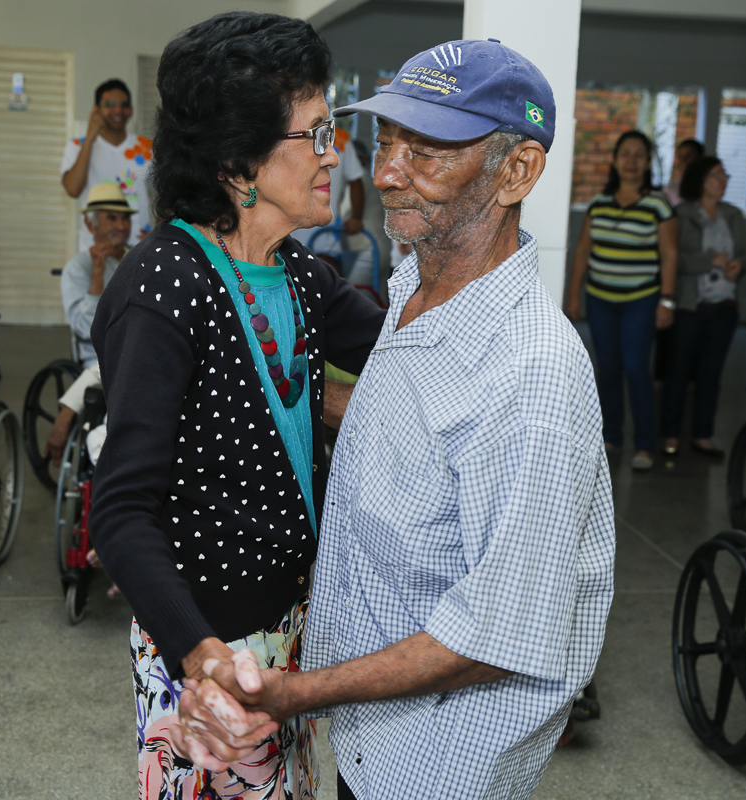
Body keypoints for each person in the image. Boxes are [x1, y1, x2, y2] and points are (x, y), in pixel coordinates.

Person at [175, 38, 616, 800]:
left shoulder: (533, 376)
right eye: (387, 141)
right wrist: (272, 396)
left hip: (430, 761)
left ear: (517, 172)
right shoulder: (416, 284)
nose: (385, 173)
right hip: (363, 737)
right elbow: (407, 425)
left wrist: (295, 693)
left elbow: (494, 636)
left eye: (429, 152)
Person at [87, 13, 386, 800]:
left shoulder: (298, 273)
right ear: (237, 161)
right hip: (209, 647)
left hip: (291, 629)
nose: (335, 156)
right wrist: (202, 654)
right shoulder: (163, 290)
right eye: (314, 136)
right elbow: (119, 513)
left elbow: (404, 349)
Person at [566, 130, 678, 470]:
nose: (631, 161)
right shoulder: (599, 202)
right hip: (600, 299)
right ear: (614, 161)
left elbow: (670, 254)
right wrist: (573, 294)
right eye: (625, 154)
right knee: (608, 369)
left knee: (635, 369)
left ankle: (644, 445)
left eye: (639, 155)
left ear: (647, 164)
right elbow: (584, 250)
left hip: (640, 300)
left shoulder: (658, 204)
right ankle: (611, 437)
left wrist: (667, 301)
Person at [661, 155, 746, 458]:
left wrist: (738, 264)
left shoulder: (733, 215)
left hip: (724, 306)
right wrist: (709, 261)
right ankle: (670, 434)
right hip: (691, 305)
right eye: (716, 175)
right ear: (700, 179)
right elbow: (674, 258)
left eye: (725, 175)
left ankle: (703, 435)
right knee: (678, 373)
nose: (723, 180)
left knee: (711, 375)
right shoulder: (682, 213)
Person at [60, 79, 153, 250]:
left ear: (131, 110)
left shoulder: (147, 148)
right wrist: (89, 139)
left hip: (140, 247)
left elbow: (167, 198)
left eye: (124, 105)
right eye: (110, 104)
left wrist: (158, 235)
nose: (118, 110)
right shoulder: (77, 146)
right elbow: (73, 189)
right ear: (96, 109)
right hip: (95, 246)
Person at [61, 183, 132, 367]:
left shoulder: (138, 258)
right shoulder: (78, 268)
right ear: (90, 224)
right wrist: (98, 274)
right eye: (112, 218)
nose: (121, 226)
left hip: (141, 349)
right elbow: (85, 328)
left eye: (125, 218)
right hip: (101, 358)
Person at [293, 126, 364, 272]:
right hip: (288, 237)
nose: (332, 160)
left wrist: (356, 217)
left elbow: (356, 181)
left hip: (327, 240)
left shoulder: (340, 137)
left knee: (327, 286)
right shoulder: (286, 131)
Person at [663, 138, 703, 206]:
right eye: (680, 156)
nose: (683, 161)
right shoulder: (670, 191)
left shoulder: (707, 189)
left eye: (688, 156)